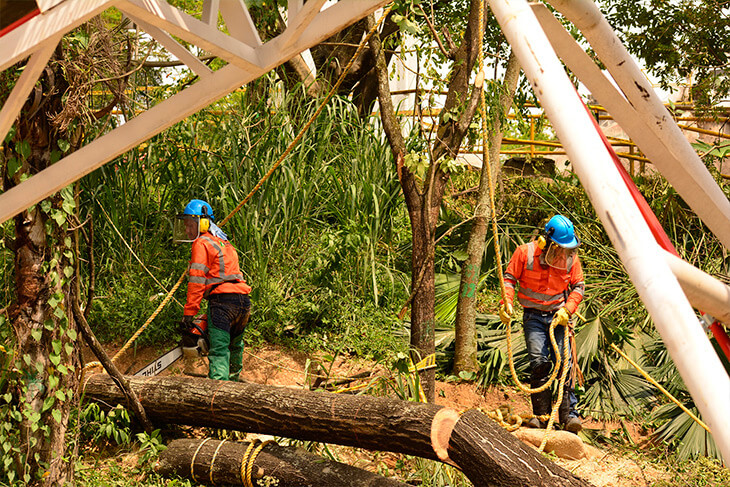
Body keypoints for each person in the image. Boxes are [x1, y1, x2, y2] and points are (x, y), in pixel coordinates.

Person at [499, 215, 585, 433]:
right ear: (547, 242)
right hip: (533, 317)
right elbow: (509, 279)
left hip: (559, 316)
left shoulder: (570, 259)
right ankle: (541, 416)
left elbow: (579, 286)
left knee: (565, 363)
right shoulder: (524, 253)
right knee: (539, 362)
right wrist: (506, 303)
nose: (564, 253)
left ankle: (569, 417)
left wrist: (568, 309)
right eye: (561, 249)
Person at [174, 199, 252, 381]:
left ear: (202, 223)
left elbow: (196, 281)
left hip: (222, 304)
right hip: (243, 302)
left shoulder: (201, 243)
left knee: (218, 351)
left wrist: (189, 314)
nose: (187, 230)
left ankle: (216, 397)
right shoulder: (224, 243)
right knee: (235, 348)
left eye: (189, 225)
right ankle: (235, 391)